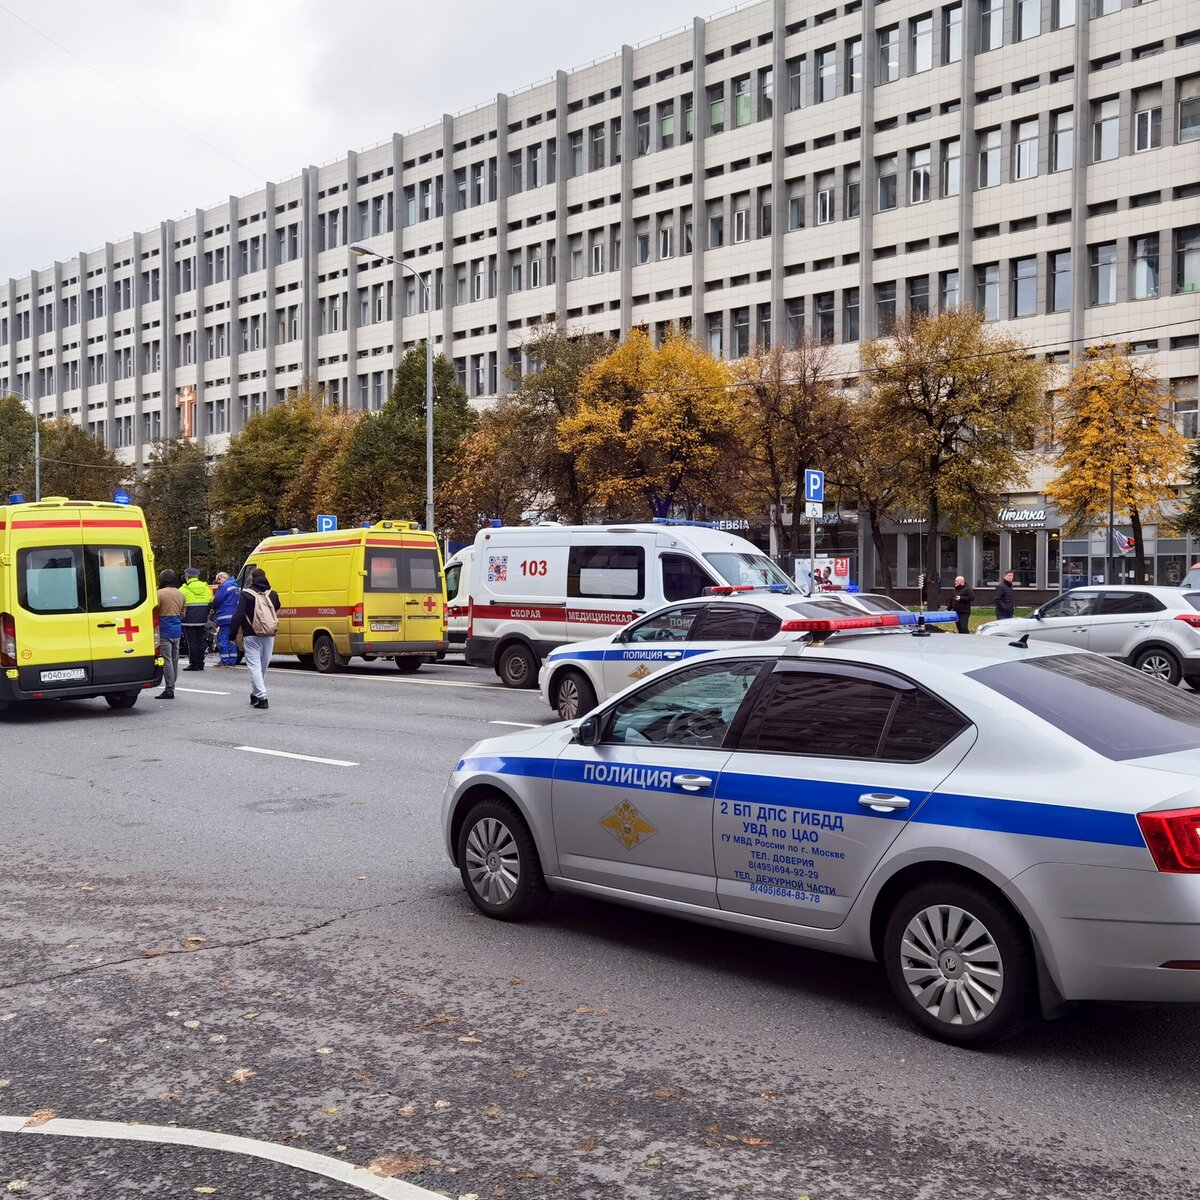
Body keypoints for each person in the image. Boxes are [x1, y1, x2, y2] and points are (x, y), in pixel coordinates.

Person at [233, 568, 281, 709]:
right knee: (263, 666)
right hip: (269, 634)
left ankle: (262, 696)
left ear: (252, 579)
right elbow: (277, 608)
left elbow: (238, 615)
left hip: (251, 634)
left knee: (254, 667)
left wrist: (232, 634)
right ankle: (255, 694)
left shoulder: (246, 595)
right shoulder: (273, 594)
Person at [155, 569, 185, 699]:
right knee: (174, 659)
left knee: (166, 660)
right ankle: (173, 685)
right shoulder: (180, 594)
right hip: (176, 628)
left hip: (164, 629)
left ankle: (169, 688)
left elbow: (154, 611)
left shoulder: (159, 593)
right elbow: (183, 613)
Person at [180, 568, 212, 671]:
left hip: (188, 620)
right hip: (202, 619)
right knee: (200, 641)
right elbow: (210, 601)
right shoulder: (206, 588)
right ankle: (200, 662)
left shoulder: (183, 589)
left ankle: (194, 664)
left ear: (186, 577)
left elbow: (179, 604)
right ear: (197, 577)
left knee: (191, 643)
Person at [210, 571, 241, 667]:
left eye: (218, 580)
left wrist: (212, 607)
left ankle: (225, 660)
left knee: (223, 638)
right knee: (232, 639)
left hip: (225, 616)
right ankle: (232, 660)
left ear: (222, 578)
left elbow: (217, 599)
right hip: (235, 616)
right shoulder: (236, 586)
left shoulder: (225, 586)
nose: (218, 583)